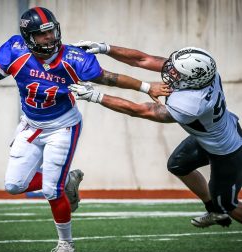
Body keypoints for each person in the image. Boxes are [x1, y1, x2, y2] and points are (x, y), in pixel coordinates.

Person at [0, 8, 169, 252]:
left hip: (62, 126)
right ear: (28, 37)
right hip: (31, 124)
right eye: (43, 34)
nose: (51, 37)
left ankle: (66, 244)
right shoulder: (14, 50)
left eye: (52, 30)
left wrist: (145, 86)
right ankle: (66, 182)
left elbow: (110, 78)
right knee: (14, 185)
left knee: (50, 191)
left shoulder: (74, 58)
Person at [69, 42, 242, 227]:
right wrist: (105, 48)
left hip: (226, 151)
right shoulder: (206, 74)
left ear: (193, 79)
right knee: (178, 165)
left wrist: (96, 96)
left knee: (227, 204)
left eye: (178, 72)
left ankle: (219, 208)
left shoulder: (191, 105)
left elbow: (140, 110)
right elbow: (143, 59)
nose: (171, 72)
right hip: (213, 135)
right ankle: (214, 210)